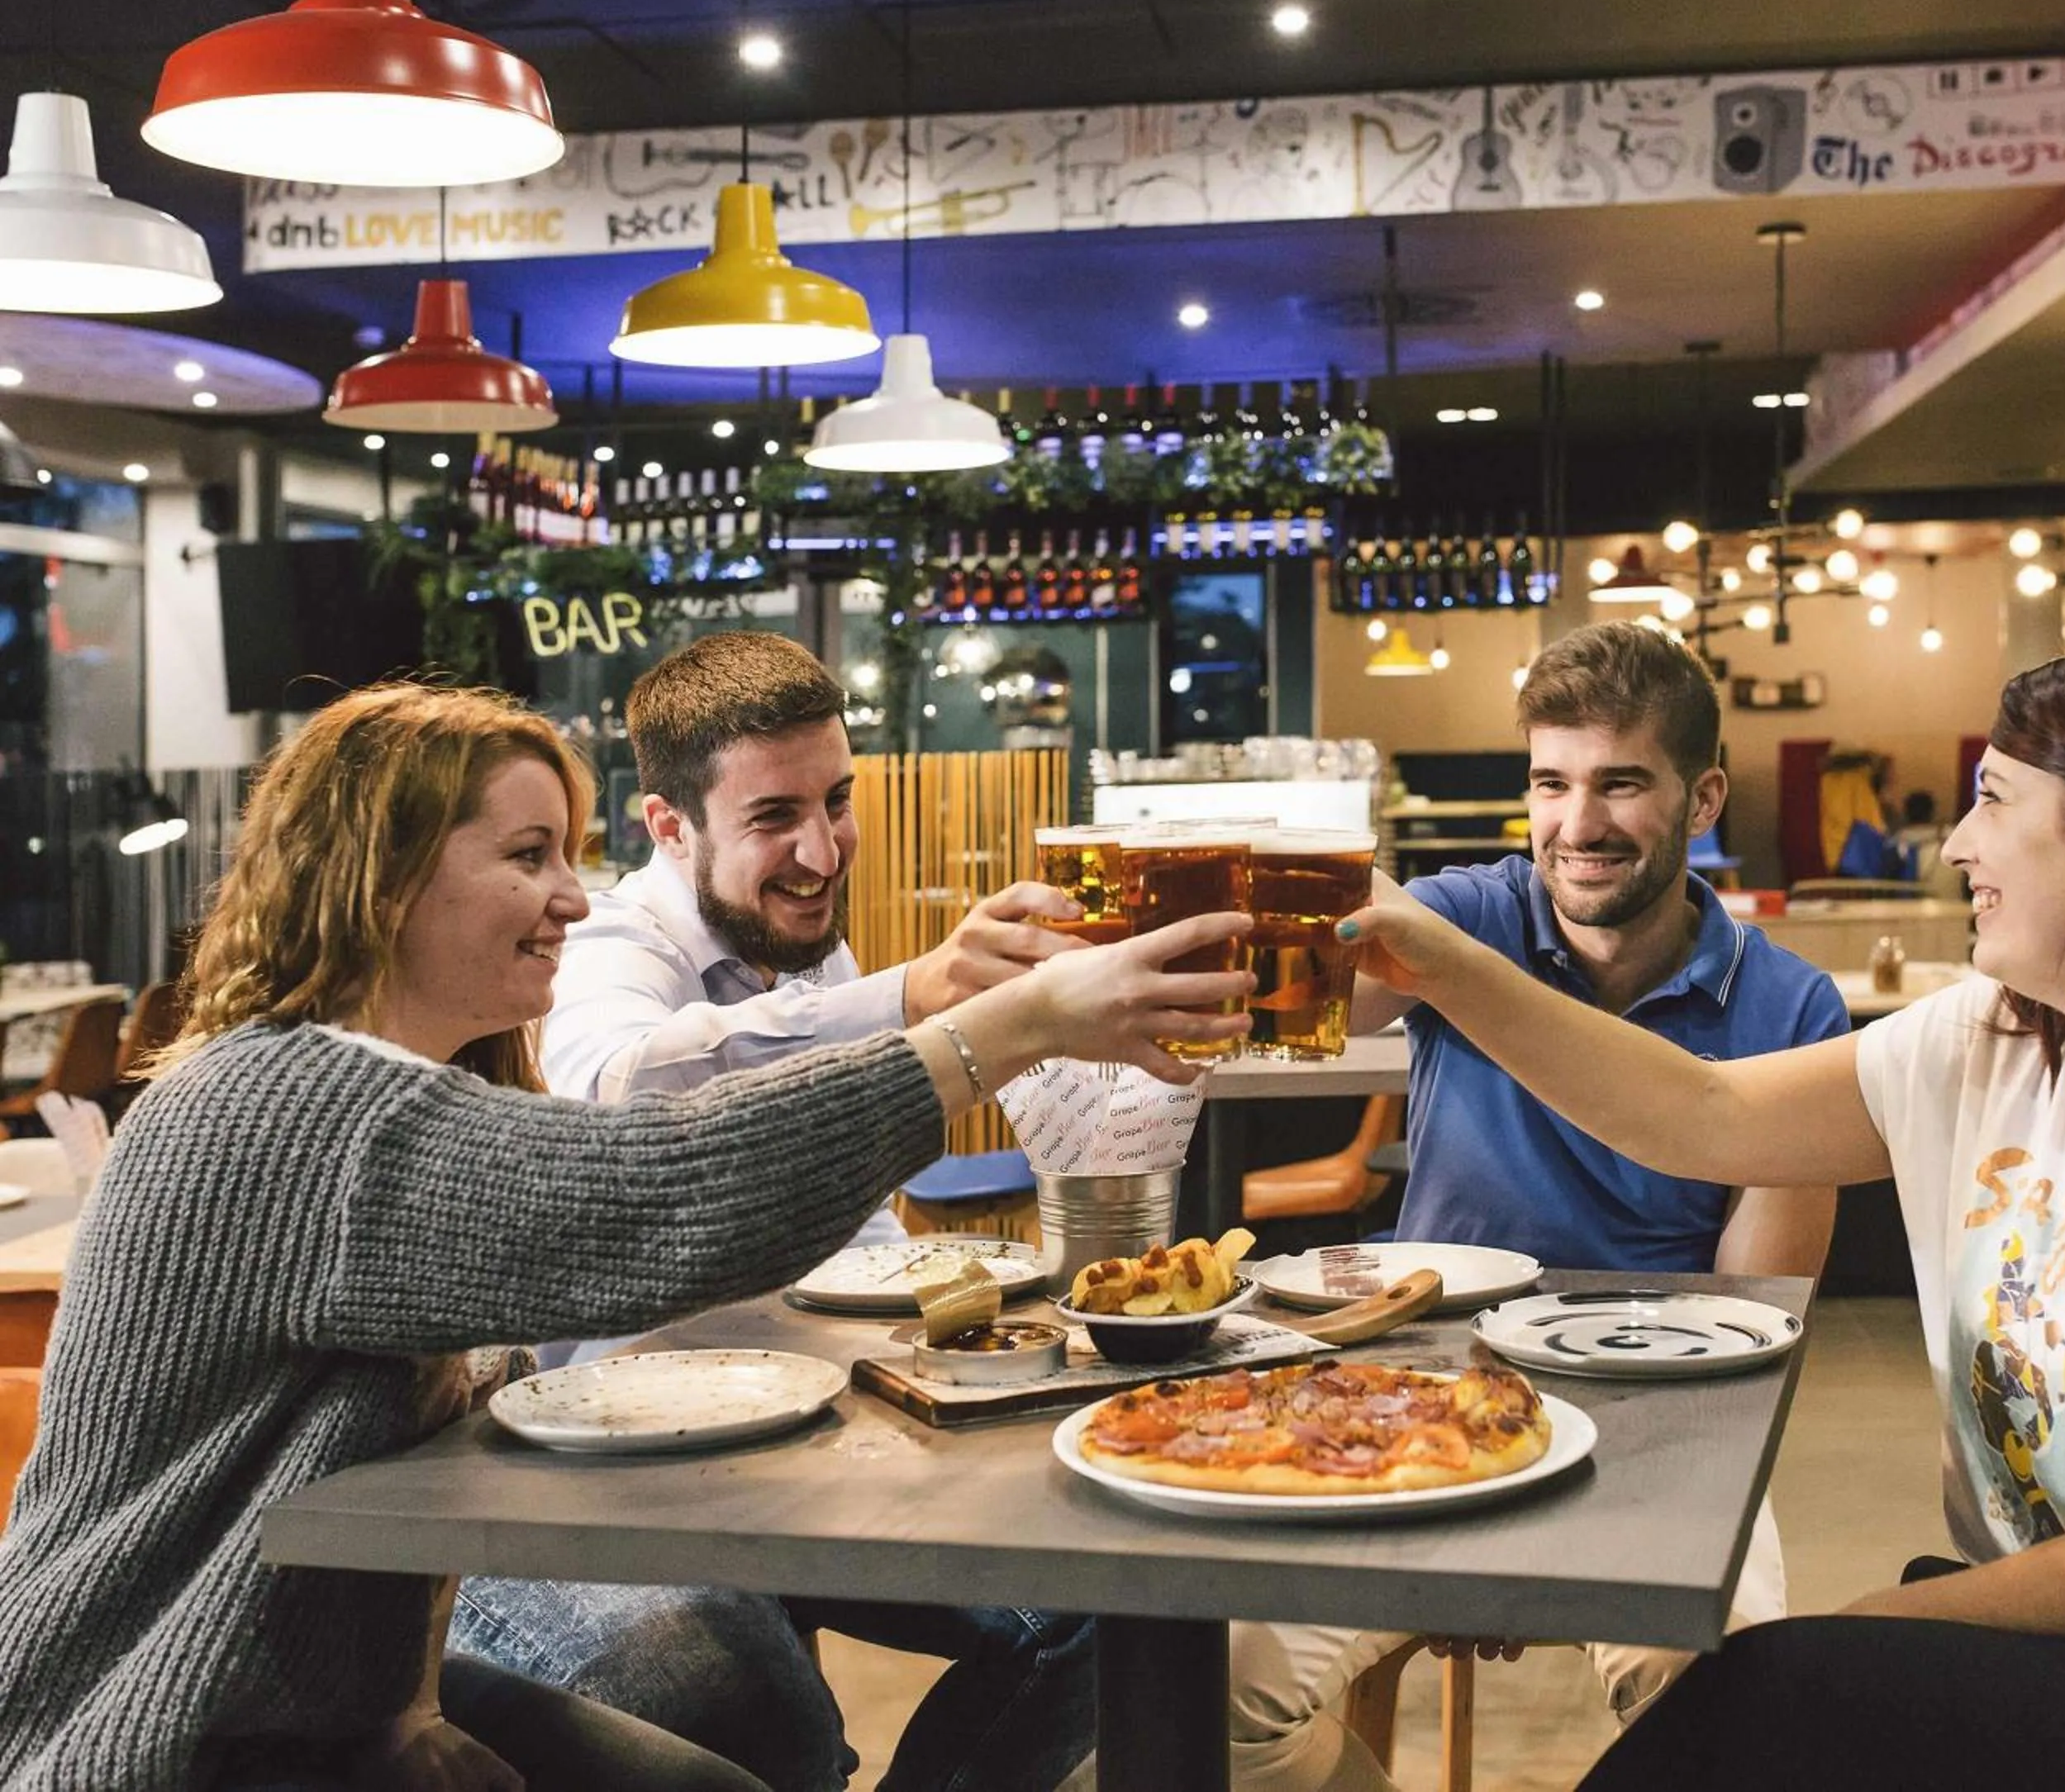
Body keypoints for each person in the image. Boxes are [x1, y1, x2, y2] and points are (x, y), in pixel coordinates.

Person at [0, 682, 1250, 1792]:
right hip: (156, 1728)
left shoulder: (395, 1086)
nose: (571, 895)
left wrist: (401, 1707)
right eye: (530, 853)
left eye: (573, 851)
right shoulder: (288, 1108)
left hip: (322, 1705)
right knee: (741, 1710)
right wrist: (1009, 1024)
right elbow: (665, 1192)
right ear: (380, 877)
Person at [1336, 639, 2065, 1792]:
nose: (1957, 844)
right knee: (1767, 1699)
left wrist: (1884, 1620)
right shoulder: (1995, 1039)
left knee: (1770, 1703)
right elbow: (1704, 1112)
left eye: (1994, 798)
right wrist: (1444, 960)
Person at [449, 633, 1101, 1792]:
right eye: (773, 816)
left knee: (1107, 1608)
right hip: (601, 1467)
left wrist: (975, 1320)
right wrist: (913, 1001)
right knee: (763, 1721)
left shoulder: (798, 939)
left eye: (837, 801)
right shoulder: (606, 941)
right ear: (667, 825)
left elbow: (853, 1227)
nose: (821, 847)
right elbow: (621, 1089)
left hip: (796, 1425)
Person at [1227, 622, 1849, 1792]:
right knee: (1206, 1693)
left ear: (1703, 795)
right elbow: (1317, 992)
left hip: (1654, 1432)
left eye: (1621, 782)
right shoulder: (1468, 915)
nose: (1578, 823)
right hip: (1408, 1403)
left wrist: (1535, 1521)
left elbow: (1758, 1315)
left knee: (1743, 1710)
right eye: (1551, 783)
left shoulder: (1789, 1006)